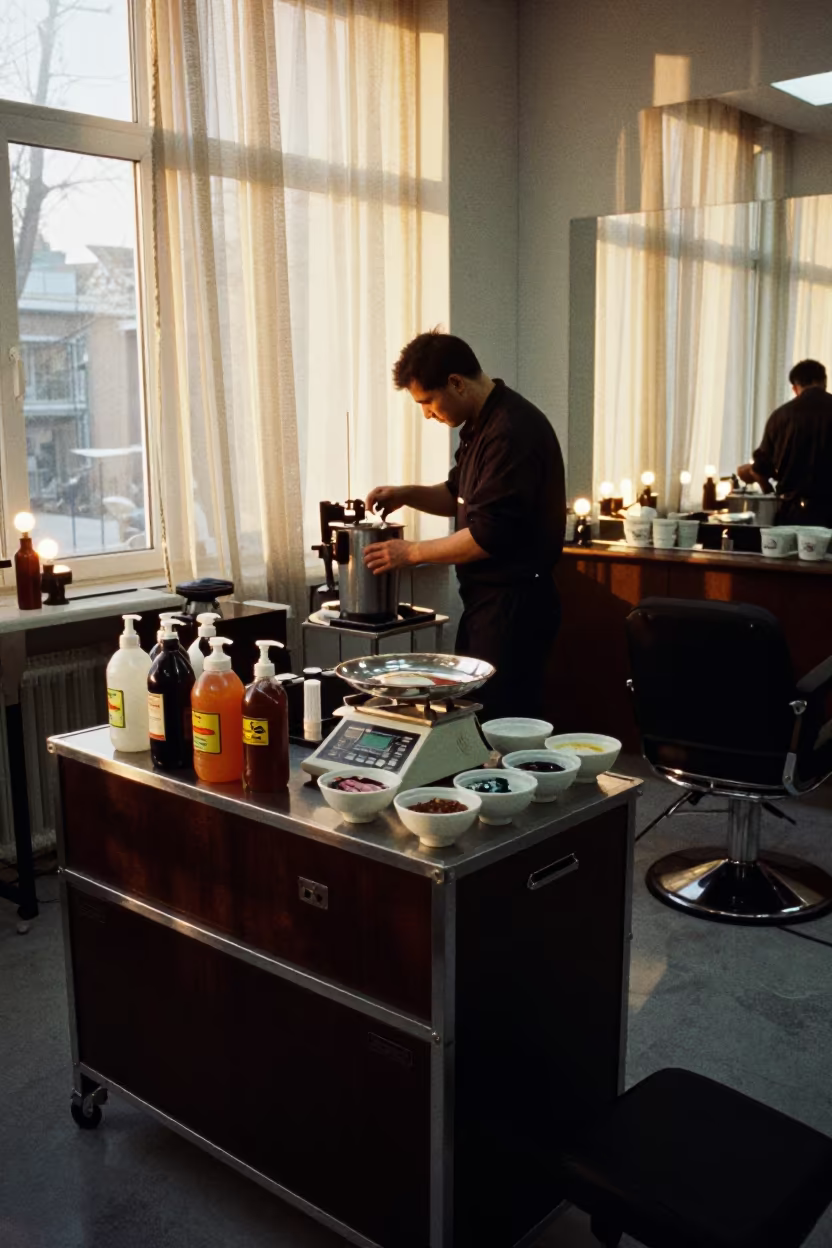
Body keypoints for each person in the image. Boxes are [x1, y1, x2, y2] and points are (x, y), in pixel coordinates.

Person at [364, 331, 565, 719]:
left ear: (456, 382)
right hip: (486, 604)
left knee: (499, 718)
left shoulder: (510, 431)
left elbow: (486, 536)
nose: (426, 414)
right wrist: (406, 494)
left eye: (427, 401)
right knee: (475, 711)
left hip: (515, 606)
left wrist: (410, 552)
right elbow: (457, 495)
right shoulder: (478, 426)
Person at [737, 359, 832, 526]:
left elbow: (760, 470)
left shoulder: (780, 416)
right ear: (824, 381)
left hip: (793, 513)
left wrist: (772, 494)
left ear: (795, 388)